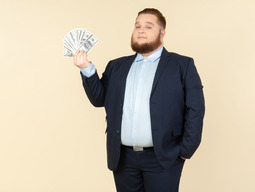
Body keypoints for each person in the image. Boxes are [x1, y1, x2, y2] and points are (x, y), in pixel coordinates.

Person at [73, 8, 205, 192]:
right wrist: (86, 68)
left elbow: (195, 109)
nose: (141, 30)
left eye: (148, 26)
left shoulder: (182, 65)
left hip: (164, 158)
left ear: (162, 33)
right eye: (137, 26)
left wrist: (185, 150)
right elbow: (99, 99)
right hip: (122, 158)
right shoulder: (116, 66)